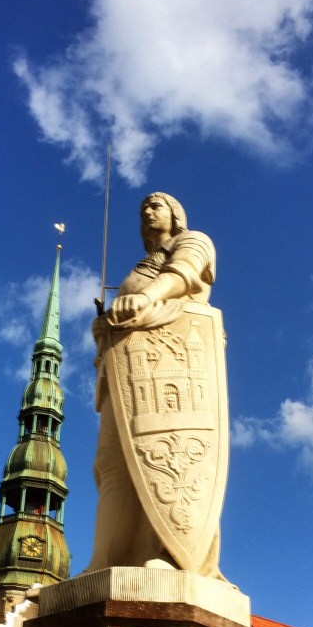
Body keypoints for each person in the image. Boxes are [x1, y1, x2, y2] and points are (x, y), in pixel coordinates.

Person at [86, 192, 226, 577]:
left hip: (174, 360)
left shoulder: (192, 241)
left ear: (176, 214)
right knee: (111, 463)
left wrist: (146, 295)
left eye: (156, 205)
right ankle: (102, 562)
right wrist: (106, 327)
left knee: (177, 457)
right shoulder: (140, 265)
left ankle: (176, 554)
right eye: (143, 208)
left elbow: (184, 274)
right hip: (125, 370)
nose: (147, 211)